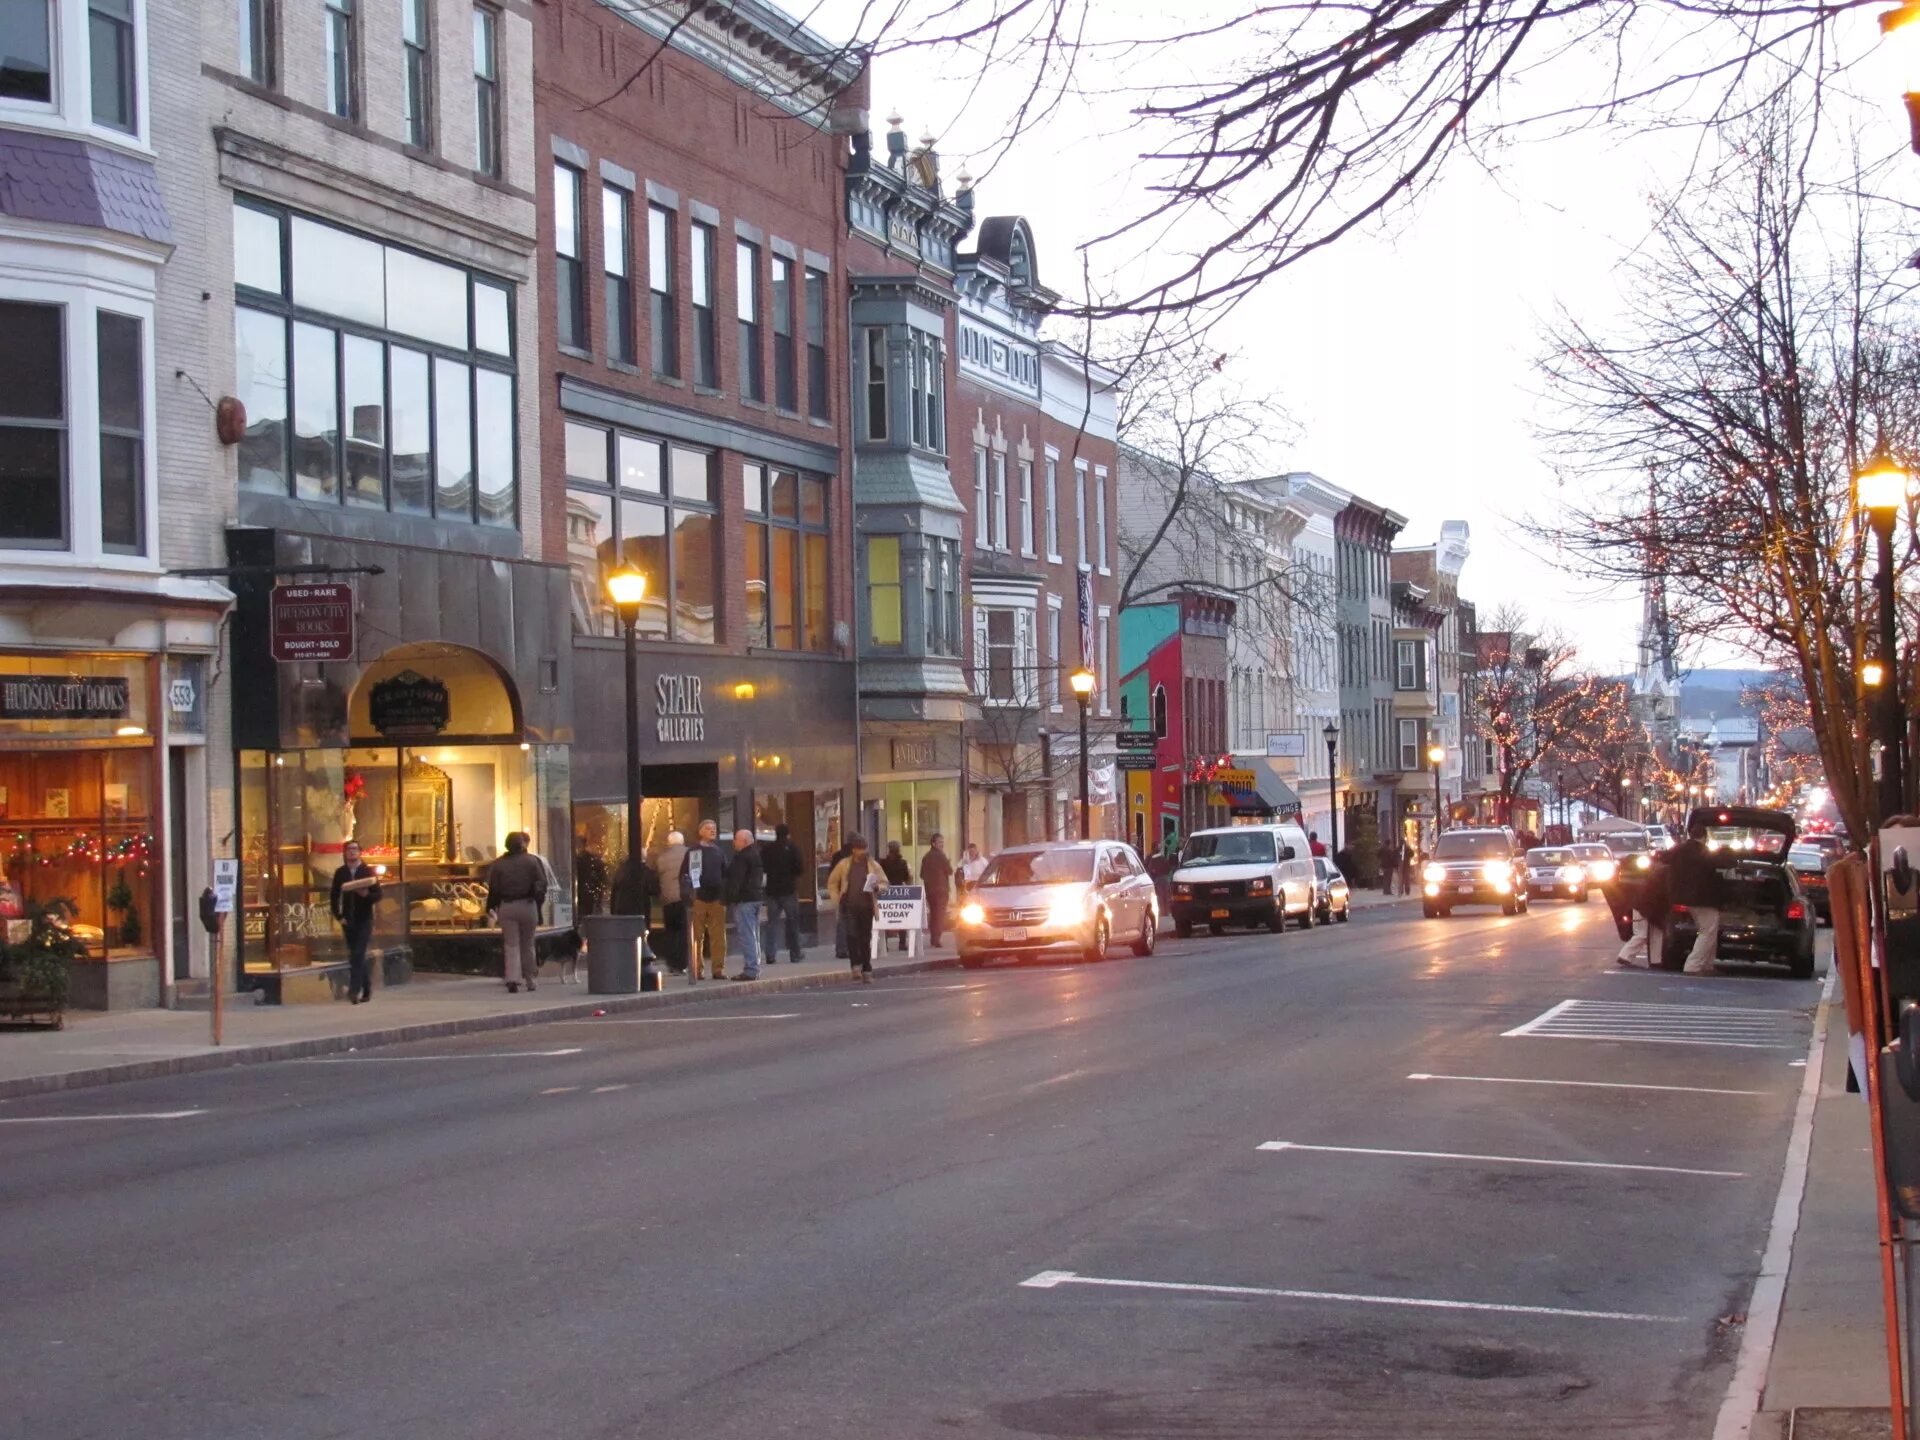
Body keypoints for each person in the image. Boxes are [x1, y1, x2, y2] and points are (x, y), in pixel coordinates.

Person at [486, 832, 548, 993]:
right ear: (522, 845)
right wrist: (538, 904)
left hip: (507, 906)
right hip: (528, 905)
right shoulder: (533, 861)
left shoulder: (499, 864)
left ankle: (513, 979)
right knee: (528, 944)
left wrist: (491, 907)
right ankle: (531, 979)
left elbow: (494, 889)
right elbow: (542, 884)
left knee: (511, 944)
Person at [1667, 819, 1725, 975]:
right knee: (1708, 931)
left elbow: (1664, 859)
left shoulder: (1679, 850)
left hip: (1685, 898)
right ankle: (1693, 965)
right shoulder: (1703, 852)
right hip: (1704, 899)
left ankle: (1707, 964)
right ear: (1705, 837)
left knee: (1707, 929)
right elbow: (1719, 864)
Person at [329, 840, 383, 1004]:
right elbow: (334, 896)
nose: (352, 852)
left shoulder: (367, 871)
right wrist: (339, 916)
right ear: (345, 853)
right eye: (349, 850)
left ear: (360, 852)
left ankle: (354, 991)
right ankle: (366, 988)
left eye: (355, 849)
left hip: (364, 919)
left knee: (359, 953)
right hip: (348, 920)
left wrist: (366, 895)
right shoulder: (341, 873)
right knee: (355, 956)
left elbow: (378, 895)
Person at [680, 820, 729, 983]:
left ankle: (718, 969)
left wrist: (724, 894)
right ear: (700, 831)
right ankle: (697, 969)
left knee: (718, 936)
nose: (712, 831)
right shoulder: (694, 852)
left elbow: (725, 874)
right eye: (708, 828)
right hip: (699, 898)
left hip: (717, 898)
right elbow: (686, 874)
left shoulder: (719, 852)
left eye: (714, 828)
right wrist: (690, 894)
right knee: (697, 936)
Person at [827, 833, 879, 983]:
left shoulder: (872, 865)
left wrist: (877, 887)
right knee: (852, 936)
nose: (862, 852)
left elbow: (884, 882)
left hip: (866, 906)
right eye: (860, 849)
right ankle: (855, 966)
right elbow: (832, 882)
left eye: (864, 849)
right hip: (849, 906)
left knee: (865, 938)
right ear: (854, 850)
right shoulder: (844, 864)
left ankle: (867, 969)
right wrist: (837, 899)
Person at [760, 823, 806, 964]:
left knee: (771, 923)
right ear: (788, 834)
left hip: (772, 890)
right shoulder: (793, 849)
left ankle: (770, 954)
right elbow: (799, 869)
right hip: (789, 890)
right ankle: (795, 953)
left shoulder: (767, 849)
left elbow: (762, 867)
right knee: (792, 923)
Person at [1617, 853, 1673, 969]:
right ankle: (1629, 956)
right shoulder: (1666, 872)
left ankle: (1631, 957)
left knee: (1645, 933)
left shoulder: (1656, 870)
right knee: (1647, 933)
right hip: (1647, 906)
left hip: (1641, 904)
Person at [724, 828, 766, 980]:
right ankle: (755, 966)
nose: (734, 842)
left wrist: (729, 898)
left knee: (747, 934)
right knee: (754, 934)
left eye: (736, 839)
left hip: (745, 900)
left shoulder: (742, 857)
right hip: (756, 898)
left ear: (744, 841)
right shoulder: (755, 854)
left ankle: (751, 969)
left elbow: (736, 880)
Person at [655, 831, 689, 974]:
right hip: (684, 898)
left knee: (670, 931)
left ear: (669, 843)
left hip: (668, 900)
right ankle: (682, 964)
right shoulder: (689, 853)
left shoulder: (662, 857)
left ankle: (671, 963)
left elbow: (657, 876)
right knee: (683, 932)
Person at [920, 833, 954, 947]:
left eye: (942, 842)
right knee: (939, 915)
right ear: (933, 843)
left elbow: (921, 874)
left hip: (930, 890)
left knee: (934, 914)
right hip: (941, 890)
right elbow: (949, 871)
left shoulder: (926, 857)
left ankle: (933, 938)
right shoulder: (941, 856)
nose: (942, 844)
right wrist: (948, 862)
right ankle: (936, 939)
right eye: (940, 842)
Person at [879, 840, 912, 950]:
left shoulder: (882, 863)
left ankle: (885, 945)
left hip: (886, 892)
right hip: (899, 892)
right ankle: (902, 943)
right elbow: (907, 878)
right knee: (902, 918)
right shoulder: (903, 863)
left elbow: (879, 876)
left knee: (885, 918)